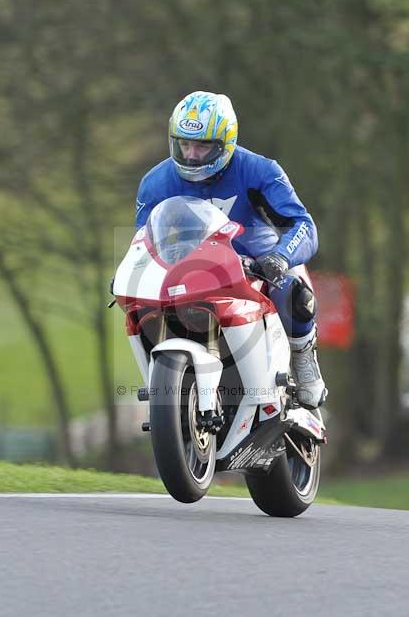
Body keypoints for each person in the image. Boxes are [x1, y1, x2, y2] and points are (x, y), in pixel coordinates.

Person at [134, 91, 327, 409]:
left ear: (226, 142)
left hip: (255, 264)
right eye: (184, 144)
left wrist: (279, 257)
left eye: (202, 145)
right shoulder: (154, 183)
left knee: (293, 292)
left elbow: (302, 224)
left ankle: (304, 361)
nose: (192, 155)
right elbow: (143, 240)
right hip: (188, 268)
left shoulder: (261, 170)